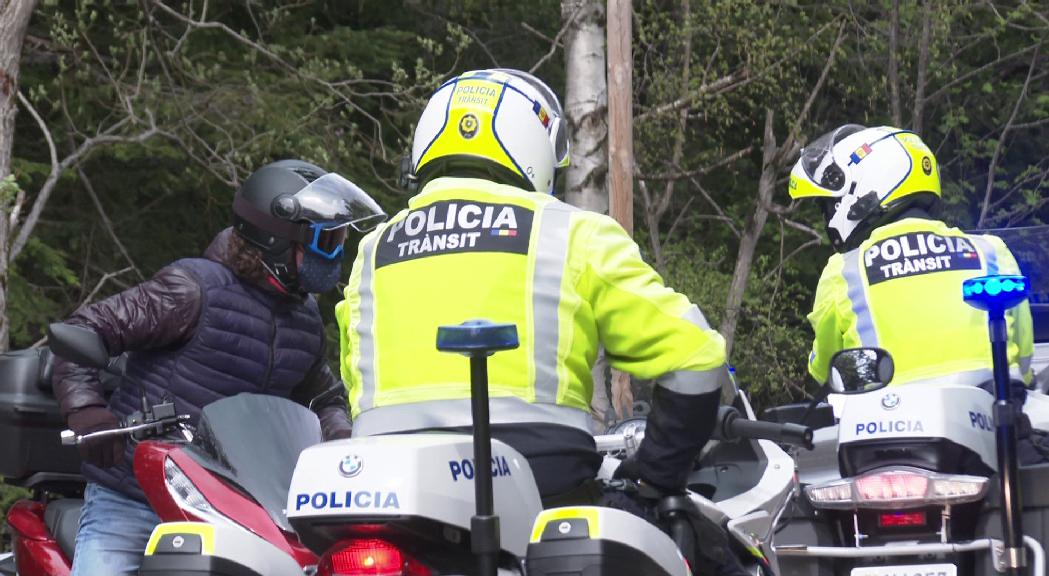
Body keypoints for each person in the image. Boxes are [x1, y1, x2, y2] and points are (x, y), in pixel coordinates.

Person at [335, 69, 743, 574]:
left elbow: (356, 382)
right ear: (534, 149)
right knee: (713, 548)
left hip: (392, 500)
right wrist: (654, 482)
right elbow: (698, 358)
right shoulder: (572, 234)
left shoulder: (372, 251)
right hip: (543, 488)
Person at [53, 159, 386, 576]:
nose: (334, 254)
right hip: (133, 498)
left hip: (233, 507)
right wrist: (85, 408)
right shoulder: (192, 289)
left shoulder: (304, 320)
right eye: (326, 240)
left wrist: (340, 447)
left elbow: (325, 397)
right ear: (277, 240)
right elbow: (84, 331)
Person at [787, 124, 1034, 388]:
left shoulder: (843, 272)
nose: (829, 217)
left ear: (860, 194)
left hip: (887, 425)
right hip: (997, 421)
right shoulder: (990, 250)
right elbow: (1025, 361)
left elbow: (824, 371)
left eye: (829, 206)